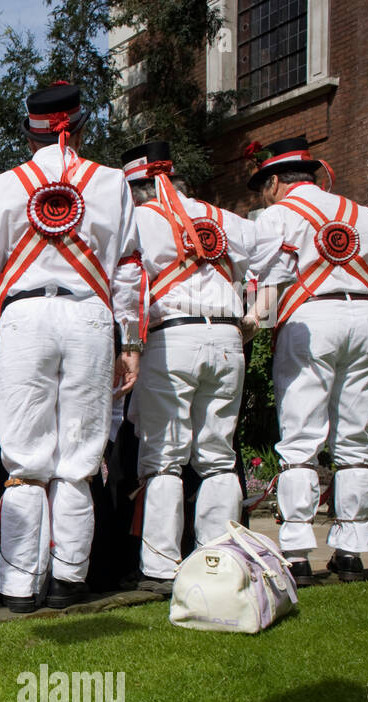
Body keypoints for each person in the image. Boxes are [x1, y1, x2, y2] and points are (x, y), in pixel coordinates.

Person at [0, 82, 144, 612]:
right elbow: (129, 269)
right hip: (90, 315)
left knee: (24, 459)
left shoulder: (2, 186)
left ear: (28, 134)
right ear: (80, 129)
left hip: (25, 318)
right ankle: (68, 581)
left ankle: (18, 587)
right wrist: (128, 340)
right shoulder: (111, 184)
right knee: (79, 456)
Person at [121, 140, 287, 592]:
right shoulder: (217, 216)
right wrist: (259, 317)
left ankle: (160, 567)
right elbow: (277, 249)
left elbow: (124, 281)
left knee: (163, 460)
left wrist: (126, 342)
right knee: (217, 458)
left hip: (172, 337)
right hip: (227, 337)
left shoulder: (136, 219)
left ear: (140, 187)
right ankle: (218, 559)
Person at [246, 135, 368, 584]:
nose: (262, 194)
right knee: (355, 441)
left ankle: (296, 551)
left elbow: (270, 277)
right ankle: (351, 552)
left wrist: (255, 323)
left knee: (300, 439)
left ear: (276, 182)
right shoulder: (365, 216)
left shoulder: (277, 215)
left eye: (263, 185)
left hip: (312, 320)